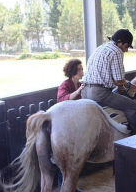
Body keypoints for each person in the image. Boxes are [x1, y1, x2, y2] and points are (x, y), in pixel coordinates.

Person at [81, 29, 136, 134]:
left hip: (85, 91)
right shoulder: (117, 51)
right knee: (132, 107)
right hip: (99, 93)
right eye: (126, 46)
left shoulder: (101, 47)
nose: (126, 50)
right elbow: (119, 80)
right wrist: (127, 84)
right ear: (119, 42)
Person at [57, 59, 85, 192]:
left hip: (74, 122)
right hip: (64, 123)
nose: (81, 71)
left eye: (81, 69)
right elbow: (62, 99)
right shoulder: (66, 84)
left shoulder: (80, 84)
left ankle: (72, 186)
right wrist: (79, 90)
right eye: (79, 69)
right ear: (73, 71)